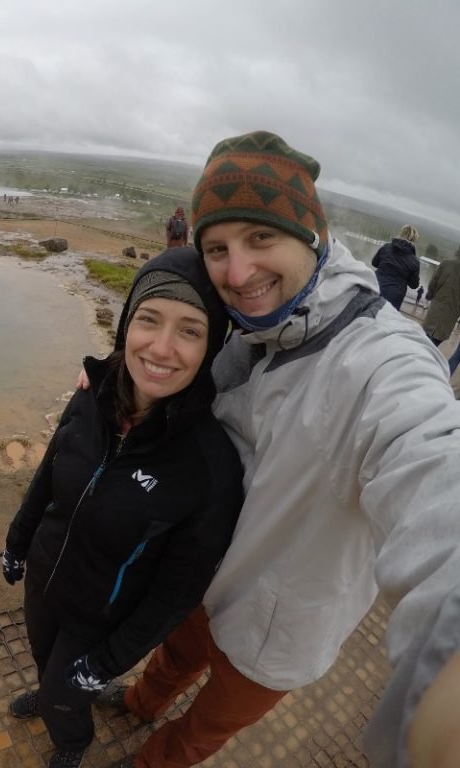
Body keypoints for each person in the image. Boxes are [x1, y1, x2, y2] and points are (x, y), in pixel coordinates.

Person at [78, 131, 460, 768]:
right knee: (170, 663)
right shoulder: (253, 332)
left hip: (278, 632)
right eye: (217, 248)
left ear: (312, 236)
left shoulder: (380, 359)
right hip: (205, 579)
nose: (237, 272)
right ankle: (140, 704)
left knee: (202, 730)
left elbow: (431, 464)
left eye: (261, 238)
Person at [1, 248, 243, 768]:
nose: (161, 347)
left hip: (102, 616)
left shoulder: (209, 466)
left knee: (69, 693)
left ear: (211, 348)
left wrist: (110, 661)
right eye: (148, 320)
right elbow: (49, 474)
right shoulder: (91, 395)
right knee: (47, 665)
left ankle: (71, 740)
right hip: (45, 577)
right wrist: (17, 543)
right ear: (127, 324)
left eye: (190, 330)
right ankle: (51, 696)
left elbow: (176, 594)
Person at [422, 246, 460, 377]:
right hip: (450, 316)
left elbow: (433, 283)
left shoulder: (446, 263)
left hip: (436, 309)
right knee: (432, 346)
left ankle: (416, 368)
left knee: (424, 342)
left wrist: (430, 295)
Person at [372, 224, 421, 309]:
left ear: (401, 234)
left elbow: (374, 263)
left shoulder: (386, 247)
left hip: (374, 286)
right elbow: (414, 285)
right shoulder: (414, 261)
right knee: (384, 320)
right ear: (414, 240)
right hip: (393, 297)